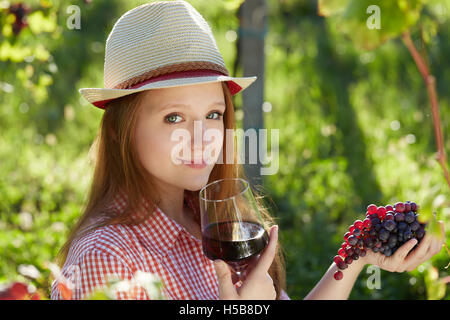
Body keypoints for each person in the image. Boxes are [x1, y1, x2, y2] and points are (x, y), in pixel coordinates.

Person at [51, 1, 445, 300]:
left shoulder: (213, 218)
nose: (202, 136)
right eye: (173, 117)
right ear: (122, 130)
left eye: (212, 114)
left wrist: (357, 255)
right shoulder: (106, 260)